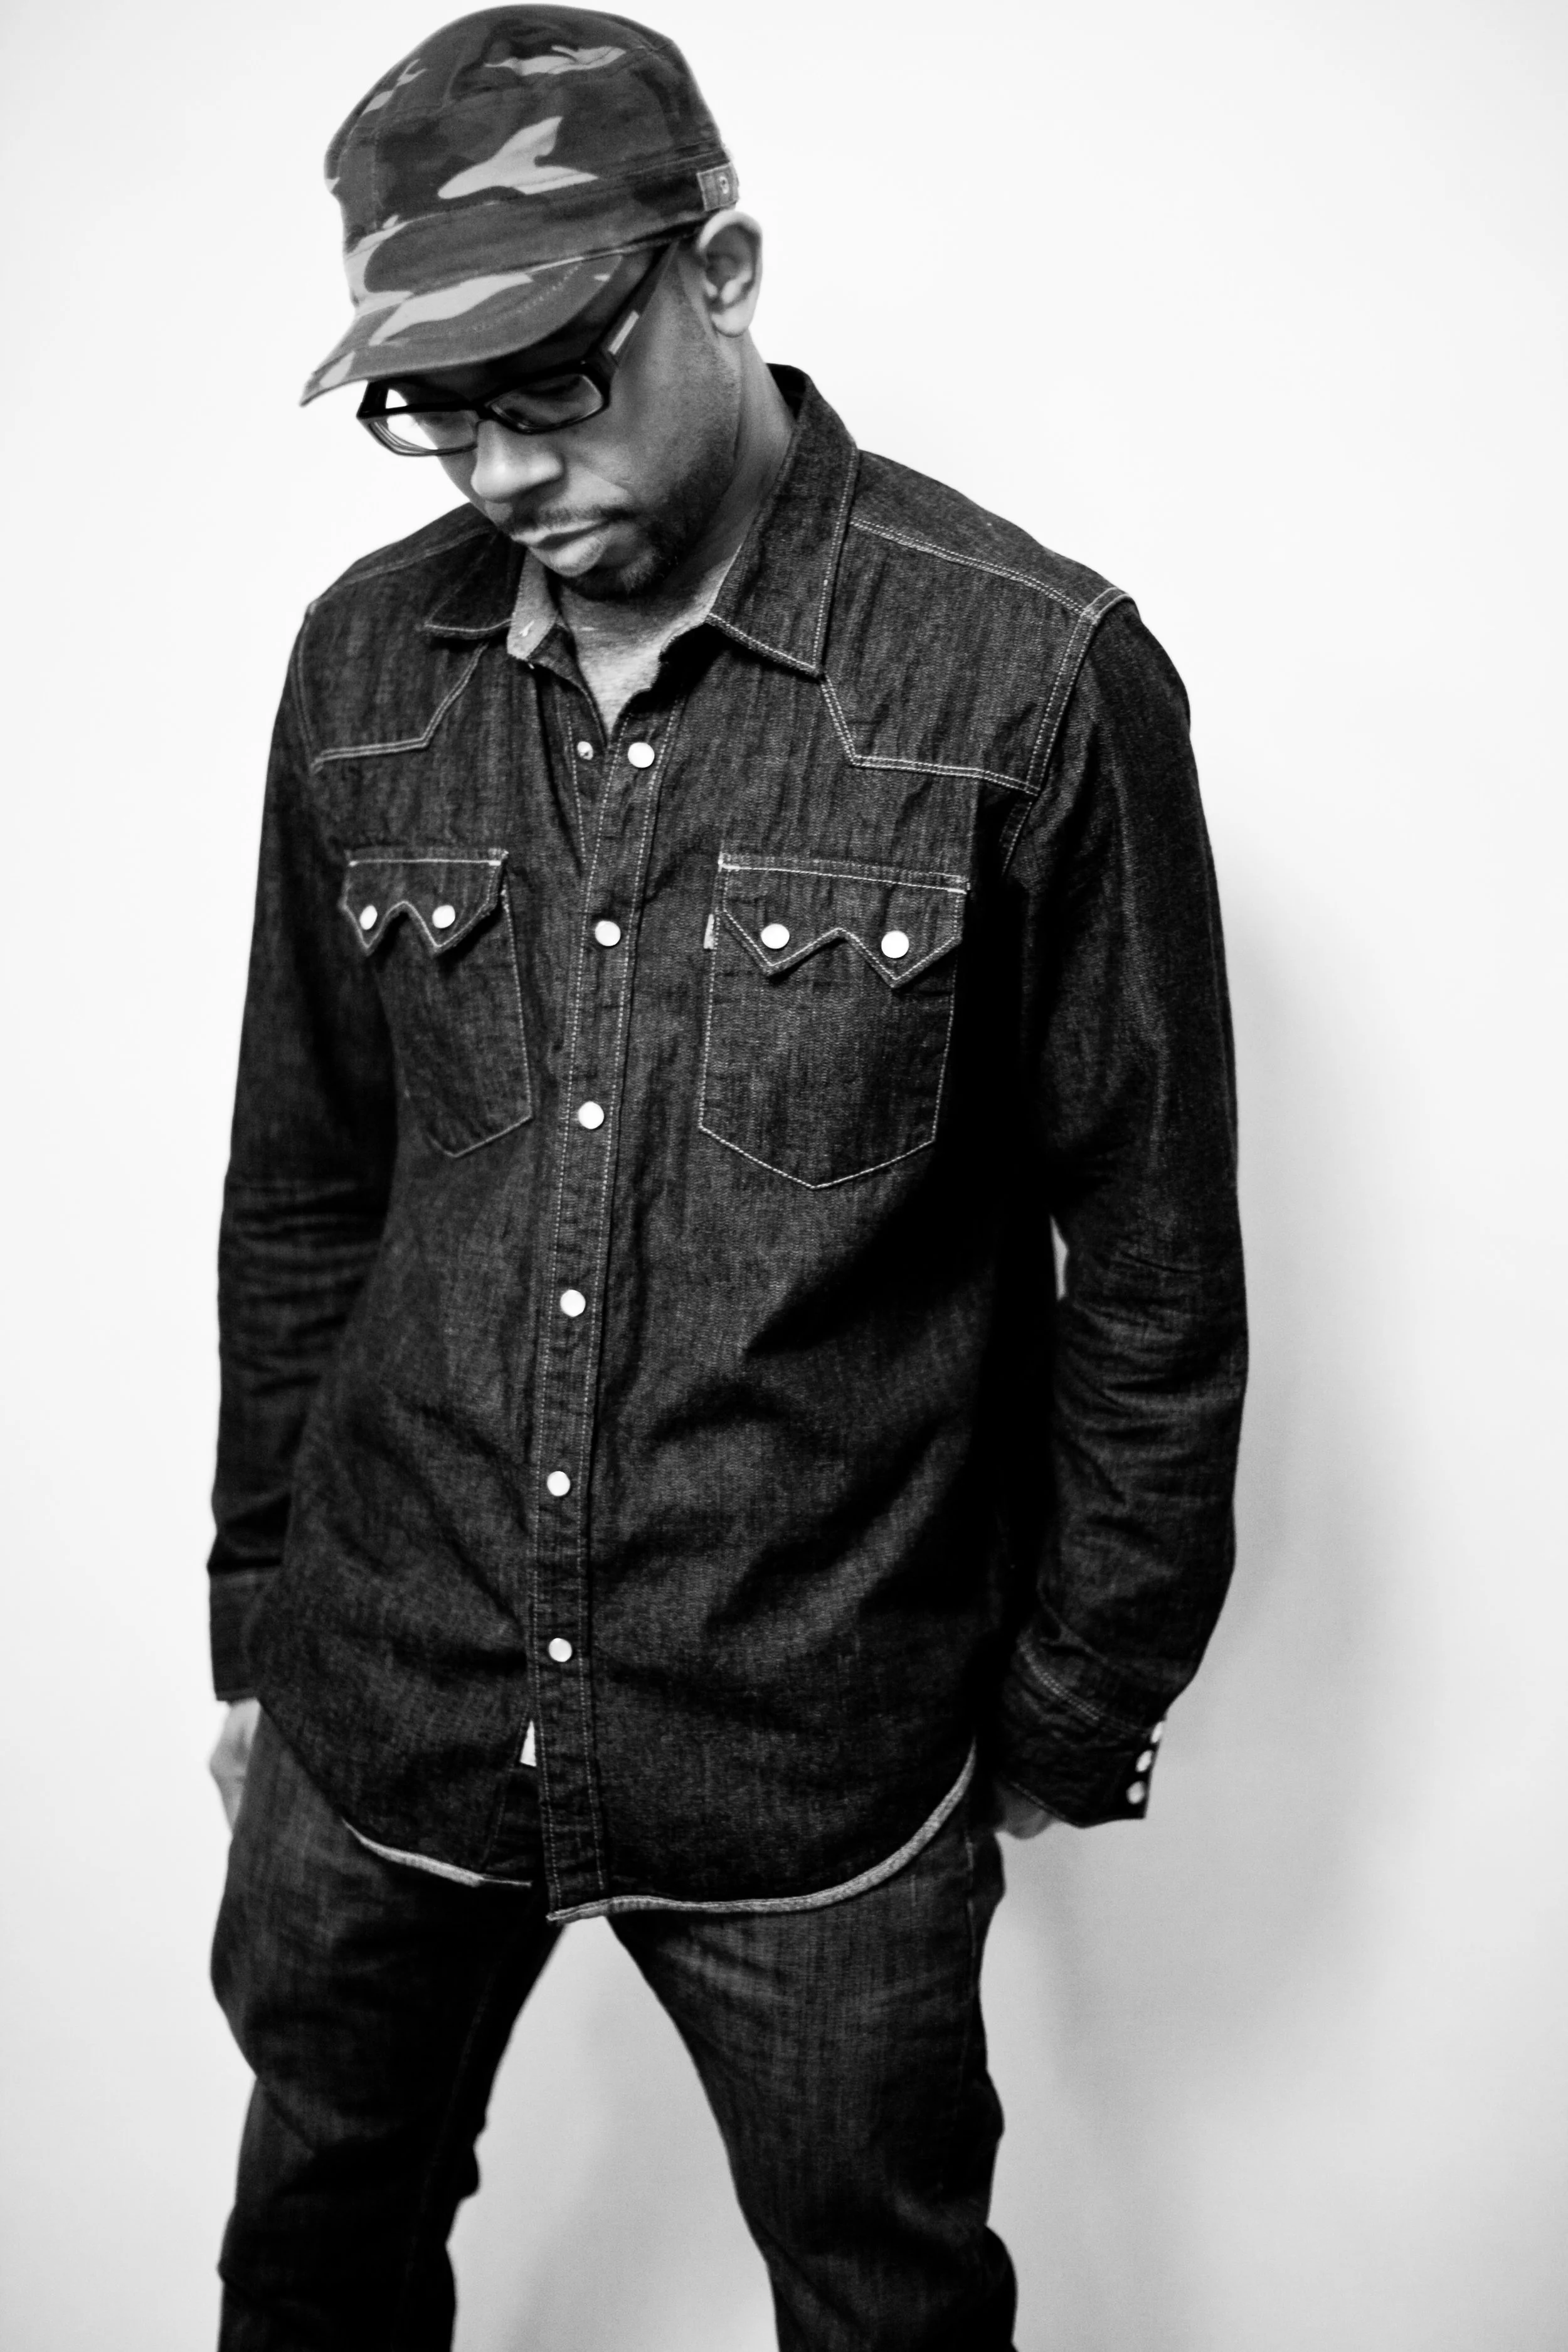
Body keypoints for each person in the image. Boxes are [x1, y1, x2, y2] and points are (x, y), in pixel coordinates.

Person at [205, 8, 1248, 2346]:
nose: (497, 464)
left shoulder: (1029, 676)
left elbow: (1152, 1259)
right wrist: (256, 1619)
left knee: (885, 2304)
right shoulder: (361, 665)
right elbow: (304, 1185)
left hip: (814, 1734)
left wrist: (1072, 1700)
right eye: (430, 405)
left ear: (726, 272)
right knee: (311, 2266)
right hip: (383, 1695)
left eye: (547, 382)